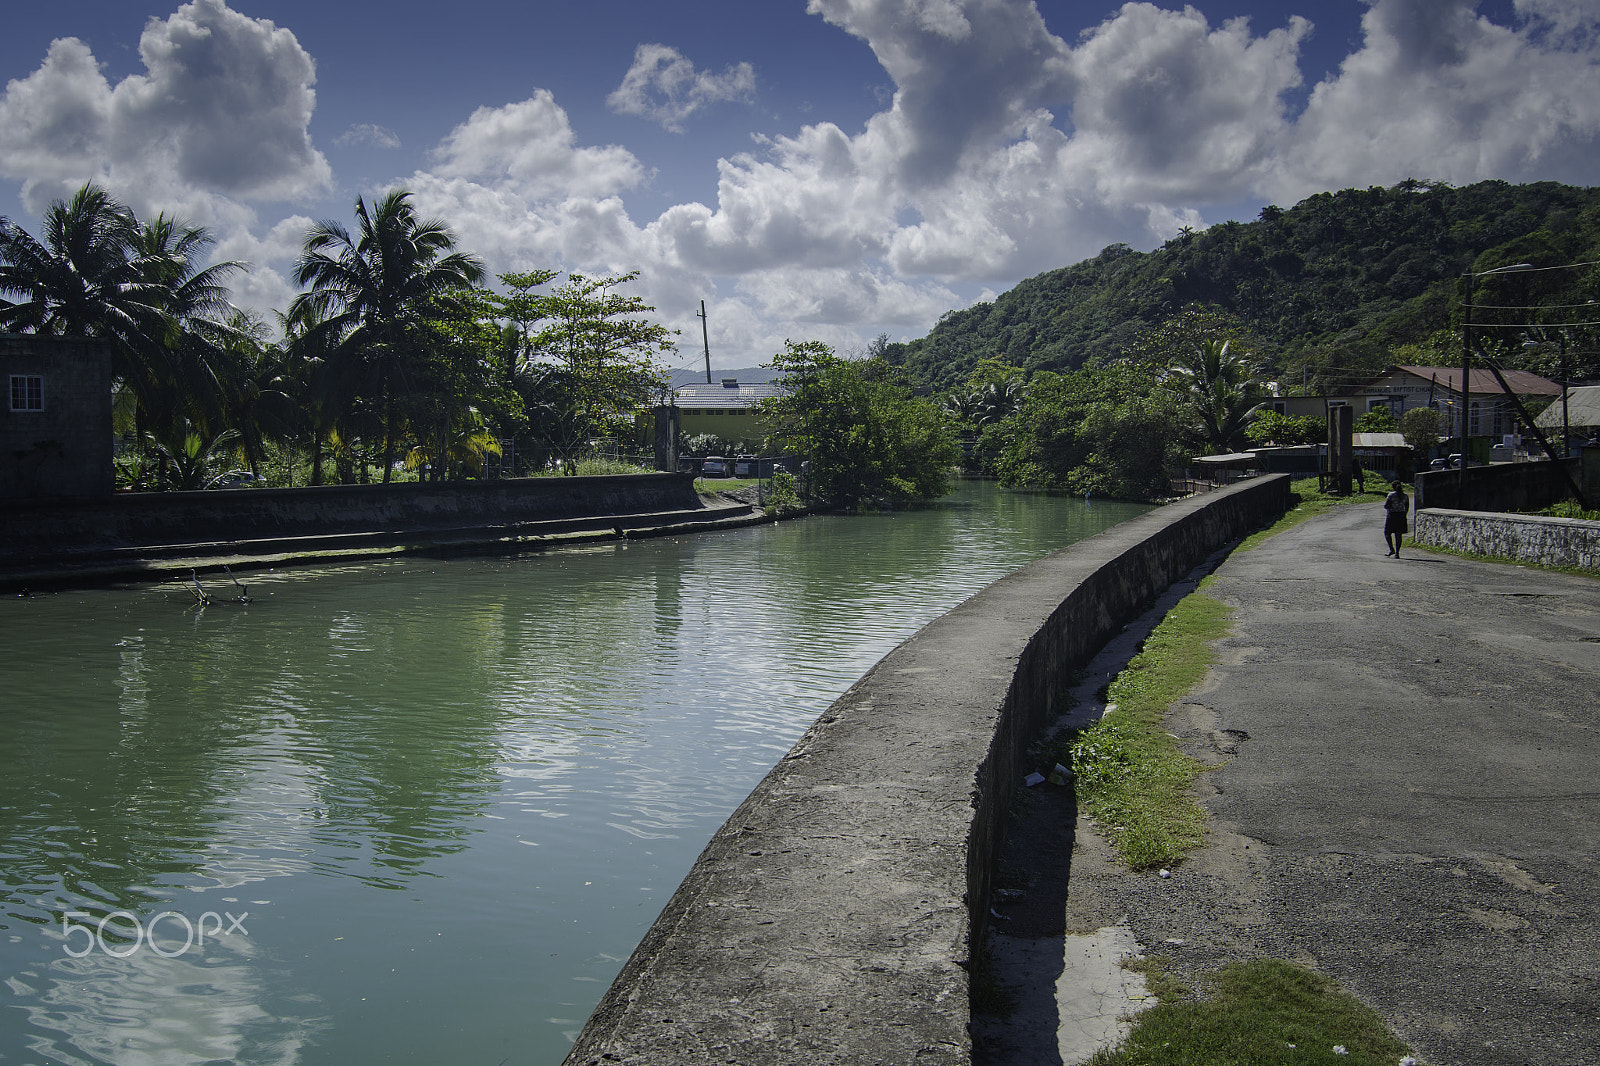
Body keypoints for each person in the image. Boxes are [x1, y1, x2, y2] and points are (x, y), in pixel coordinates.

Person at [1383, 479, 1409, 557]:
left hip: (1392, 515)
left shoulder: (1391, 495)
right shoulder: (1405, 496)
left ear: (1393, 487)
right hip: (1401, 515)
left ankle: (1391, 549)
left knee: (1387, 533)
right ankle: (1397, 553)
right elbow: (1407, 506)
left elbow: (1387, 505)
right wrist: (1404, 513)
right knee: (1398, 535)